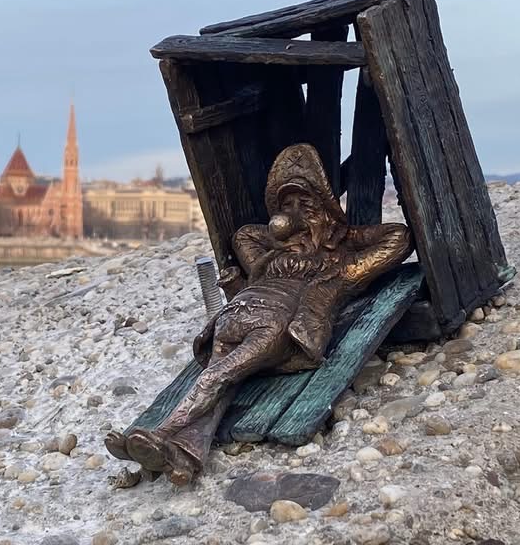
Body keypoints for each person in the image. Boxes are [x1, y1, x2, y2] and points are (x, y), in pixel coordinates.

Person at [106, 144, 413, 484]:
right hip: (237, 314)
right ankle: (186, 457)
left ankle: (159, 434)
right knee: (223, 382)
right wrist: (285, 238)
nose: (291, 217)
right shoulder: (268, 258)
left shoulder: (339, 265)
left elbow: (397, 238)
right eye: (286, 207)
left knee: (216, 377)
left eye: (306, 207)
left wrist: (341, 232)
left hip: (278, 326)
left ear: (326, 215)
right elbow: (245, 235)